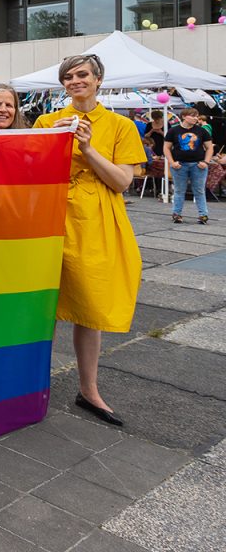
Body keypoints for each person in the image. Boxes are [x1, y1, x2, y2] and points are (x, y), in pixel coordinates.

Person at [35, 53, 145, 426]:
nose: (74, 81)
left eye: (82, 74)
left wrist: (86, 147)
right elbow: (32, 171)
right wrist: (53, 140)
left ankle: (89, 390)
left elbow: (122, 181)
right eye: (68, 76)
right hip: (51, 217)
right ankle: (34, 383)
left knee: (91, 307)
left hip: (96, 218)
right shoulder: (47, 121)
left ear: (98, 80)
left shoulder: (119, 125)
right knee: (42, 304)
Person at [165, 107, 214, 225]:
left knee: (199, 190)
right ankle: (177, 214)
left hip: (198, 165)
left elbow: (210, 147)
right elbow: (166, 147)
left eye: (196, 116)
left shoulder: (202, 131)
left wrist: (206, 162)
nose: (195, 118)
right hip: (179, 165)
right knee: (179, 190)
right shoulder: (173, 131)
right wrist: (172, 162)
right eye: (192, 116)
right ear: (184, 116)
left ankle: (203, 215)